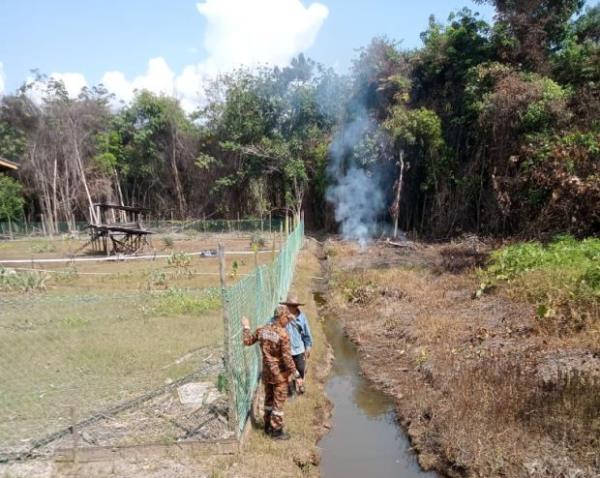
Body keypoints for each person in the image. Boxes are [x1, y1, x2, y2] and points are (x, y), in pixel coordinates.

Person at [242, 305, 302, 440]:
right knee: (278, 404)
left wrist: (246, 327)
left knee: (268, 400)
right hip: (280, 375)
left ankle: (267, 426)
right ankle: (276, 431)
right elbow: (287, 359)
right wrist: (296, 375)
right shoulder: (283, 335)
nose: (287, 320)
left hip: (267, 374)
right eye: (286, 317)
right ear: (281, 317)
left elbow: (247, 341)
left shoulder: (262, 330)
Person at [280, 293, 313, 395]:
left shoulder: (302, 318)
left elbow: (307, 336)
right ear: (286, 306)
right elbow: (272, 326)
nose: (291, 308)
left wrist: (307, 348)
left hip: (299, 350)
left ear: (297, 306)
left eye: (293, 306)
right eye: (289, 305)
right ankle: (291, 388)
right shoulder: (281, 317)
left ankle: (300, 385)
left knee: (300, 370)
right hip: (286, 351)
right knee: (287, 371)